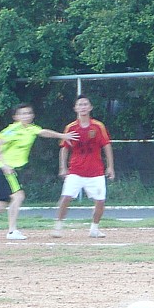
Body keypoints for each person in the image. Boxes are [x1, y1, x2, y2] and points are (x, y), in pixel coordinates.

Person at [0, 103, 78, 240]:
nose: (26, 116)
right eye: (22, 113)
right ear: (15, 117)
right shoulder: (13, 129)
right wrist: (4, 165)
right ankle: (12, 231)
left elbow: (43, 132)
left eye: (28, 113)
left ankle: (12, 230)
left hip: (11, 170)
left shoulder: (31, 128)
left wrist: (63, 135)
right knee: (18, 196)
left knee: (1, 205)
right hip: (4, 169)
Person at [53, 95, 115, 238]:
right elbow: (64, 148)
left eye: (85, 104)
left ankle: (94, 228)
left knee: (100, 201)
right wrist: (63, 167)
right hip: (75, 170)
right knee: (66, 197)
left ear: (90, 107)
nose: (83, 107)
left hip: (96, 171)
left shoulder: (98, 126)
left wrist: (110, 166)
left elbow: (106, 146)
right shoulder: (71, 127)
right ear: (75, 108)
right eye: (80, 104)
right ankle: (58, 226)